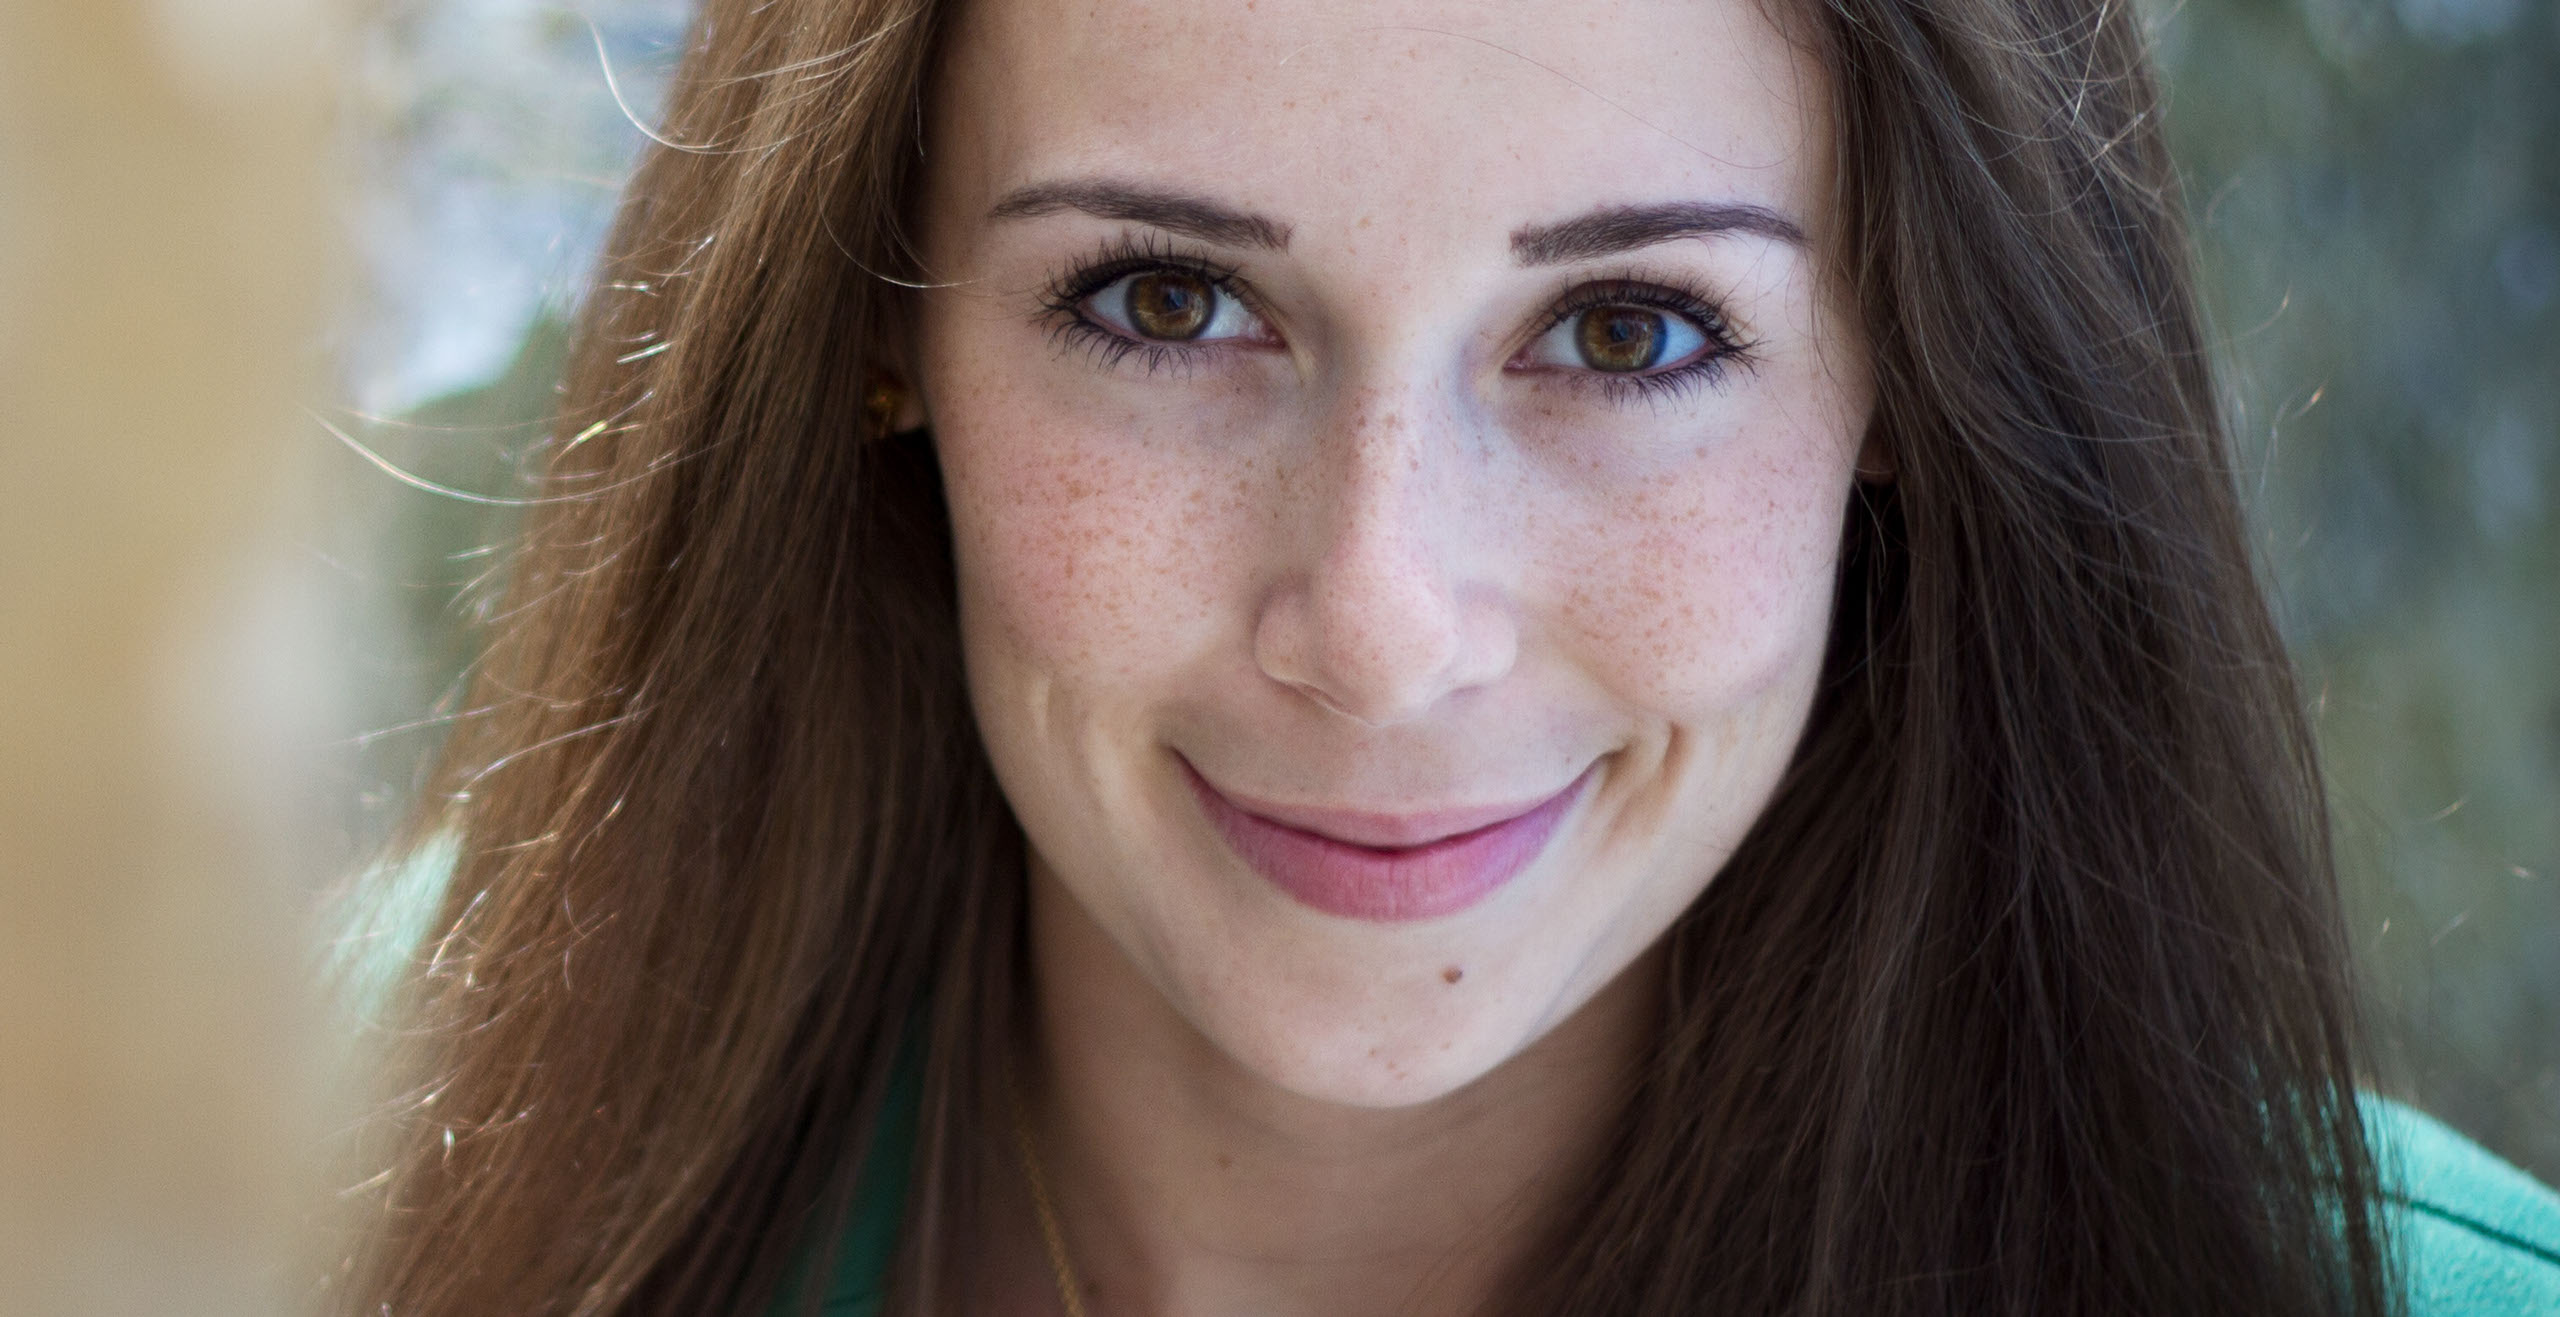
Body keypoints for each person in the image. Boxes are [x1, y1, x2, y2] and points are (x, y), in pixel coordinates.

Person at [337, 0, 2560, 1312]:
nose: (1384, 626)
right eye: (1167, 302)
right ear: (873, 324)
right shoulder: (270, 1170)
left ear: (1909, 375)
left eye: (1628, 331)